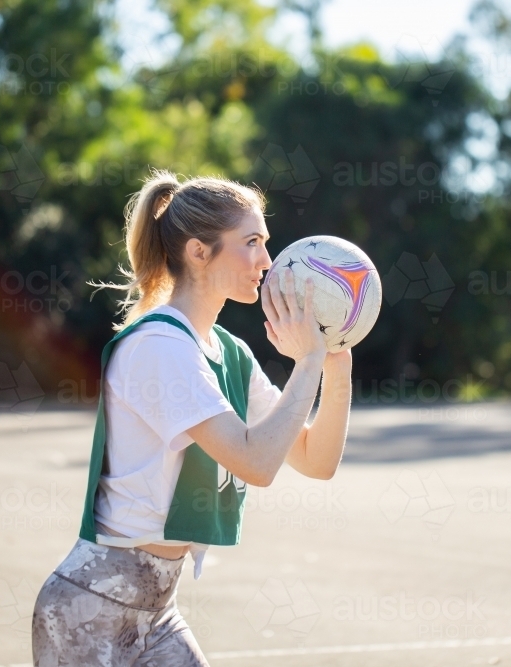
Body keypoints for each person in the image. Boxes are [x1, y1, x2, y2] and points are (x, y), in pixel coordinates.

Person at [31, 170, 352, 666]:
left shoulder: (228, 352)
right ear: (199, 252)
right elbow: (257, 463)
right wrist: (306, 363)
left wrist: (335, 357)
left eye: (265, 242)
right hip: (88, 609)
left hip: (157, 611)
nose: (267, 260)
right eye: (251, 242)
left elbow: (316, 460)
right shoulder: (159, 345)